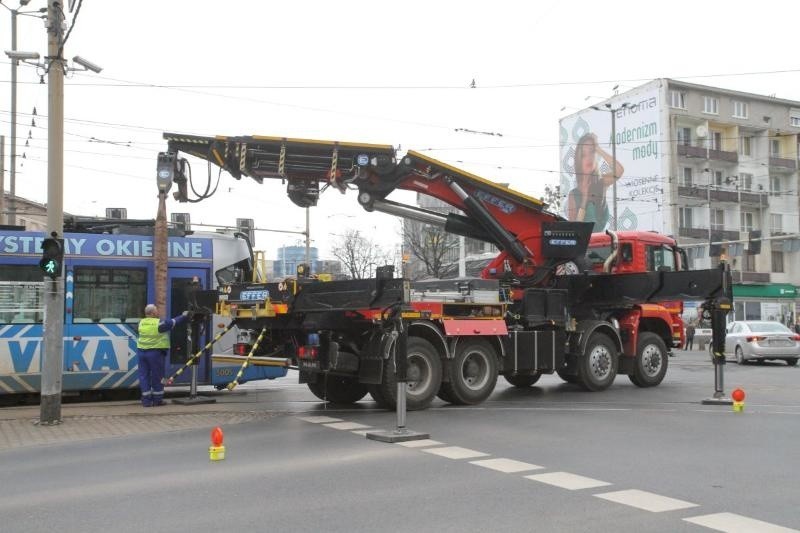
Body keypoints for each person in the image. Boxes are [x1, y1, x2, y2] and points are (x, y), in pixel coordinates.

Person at [566, 132, 625, 232]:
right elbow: (574, 230)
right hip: (585, 246)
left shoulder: (601, 183)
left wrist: (598, 149)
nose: (589, 157)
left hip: (603, 243)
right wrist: (584, 199)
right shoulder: (573, 194)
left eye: (592, 152)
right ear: (579, 161)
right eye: (584, 155)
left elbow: (619, 170)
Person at [136, 304, 189, 407]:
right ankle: (157, 400)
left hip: (141, 353)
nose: (157, 312)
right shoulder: (159, 324)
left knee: (143, 376)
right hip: (155, 354)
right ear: (152, 313)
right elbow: (174, 321)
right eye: (156, 310)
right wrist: (184, 315)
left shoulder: (140, 323)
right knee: (158, 377)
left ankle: (146, 401)